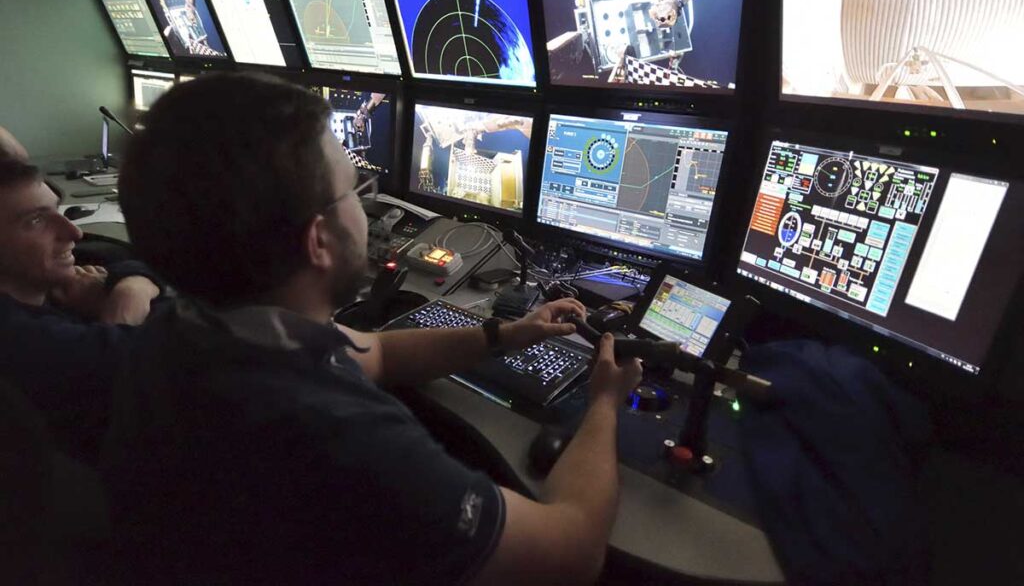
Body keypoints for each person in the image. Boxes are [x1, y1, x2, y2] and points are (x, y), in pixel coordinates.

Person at [107, 72, 643, 586]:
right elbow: (572, 554)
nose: (366, 211)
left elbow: (378, 352)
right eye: (356, 192)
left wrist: (502, 335)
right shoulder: (344, 439)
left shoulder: (187, 330)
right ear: (318, 240)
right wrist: (603, 403)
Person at [0, 130, 162, 460]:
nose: (73, 232)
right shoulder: (25, 338)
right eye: (35, 220)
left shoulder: (48, 279)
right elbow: (145, 360)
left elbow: (130, 260)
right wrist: (124, 303)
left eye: (56, 210)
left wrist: (131, 283)